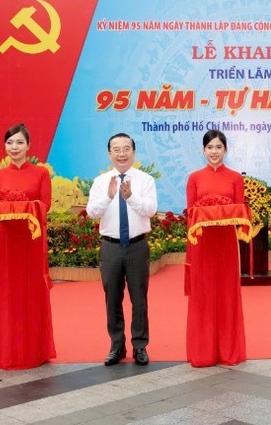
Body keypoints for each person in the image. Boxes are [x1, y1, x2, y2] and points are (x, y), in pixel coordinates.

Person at [0, 124, 56, 369]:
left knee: (31, 293)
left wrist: (23, 208)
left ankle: (34, 351)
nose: (14, 148)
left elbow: (45, 206)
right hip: (5, 242)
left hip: (31, 241)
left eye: (19, 143)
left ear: (29, 146)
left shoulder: (40, 173)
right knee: (6, 296)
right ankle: (6, 351)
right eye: (9, 143)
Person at [87, 133, 157, 366]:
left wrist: (131, 197)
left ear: (133, 153)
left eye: (126, 149)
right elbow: (92, 212)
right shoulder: (101, 182)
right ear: (109, 154)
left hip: (137, 246)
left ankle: (140, 346)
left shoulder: (145, 180)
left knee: (139, 299)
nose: (121, 154)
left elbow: (150, 210)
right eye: (116, 150)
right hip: (111, 247)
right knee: (112, 299)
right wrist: (109, 197)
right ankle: (116, 346)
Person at [185, 130, 247, 367]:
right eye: (210, 147)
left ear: (226, 150)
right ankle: (203, 352)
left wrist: (223, 211)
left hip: (226, 244)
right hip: (201, 244)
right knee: (203, 295)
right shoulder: (194, 178)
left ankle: (228, 351)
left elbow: (240, 209)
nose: (214, 152)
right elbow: (190, 213)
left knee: (227, 293)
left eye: (218, 147)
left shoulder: (234, 178)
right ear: (203, 150)